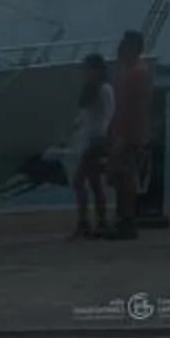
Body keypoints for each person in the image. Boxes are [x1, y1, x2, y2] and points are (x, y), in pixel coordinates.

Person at [102, 30, 154, 241]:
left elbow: (134, 108)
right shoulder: (132, 72)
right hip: (125, 131)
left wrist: (124, 135)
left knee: (125, 177)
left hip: (129, 134)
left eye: (124, 45)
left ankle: (127, 221)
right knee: (121, 176)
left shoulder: (136, 74)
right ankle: (124, 219)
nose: (119, 49)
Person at [66, 54, 114, 239]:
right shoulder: (91, 90)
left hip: (96, 141)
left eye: (88, 69)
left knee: (79, 181)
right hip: (87, 140)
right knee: (94, 182)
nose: (85, 73)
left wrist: (102, 137)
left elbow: (108, 114)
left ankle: (85, 223)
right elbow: (85, 117)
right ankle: (100, 221)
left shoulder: (104, 89)